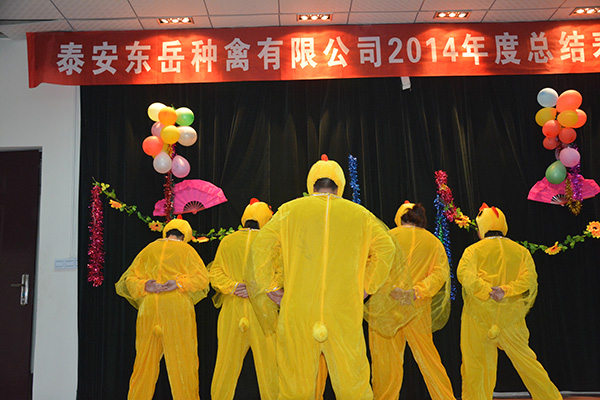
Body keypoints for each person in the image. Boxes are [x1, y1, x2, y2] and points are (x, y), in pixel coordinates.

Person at [246, 154, 396, 400]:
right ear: (340, 184)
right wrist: (366, 287)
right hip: (343, 309)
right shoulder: (360, 214)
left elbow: (261, 245)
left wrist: (270, 287)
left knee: (294, 384)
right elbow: (387, 248)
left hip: (298, 309)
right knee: (353, 383)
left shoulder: (290, 210)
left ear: (311, 183)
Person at [457, 203, 562, 400]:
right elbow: (529, 279)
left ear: (482, 226)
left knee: (475, 366)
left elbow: (465, 275)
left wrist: (487, 290)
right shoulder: (521, 251)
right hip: (511, 316)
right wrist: (506, 291)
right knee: (527, 362)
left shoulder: (473, 251)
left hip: (478, 316)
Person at [368, 201, 455, 400]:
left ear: (400, 217)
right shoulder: (433, 242)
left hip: (387, 307)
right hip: (418, 307)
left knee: (385, 364)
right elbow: (440, 274)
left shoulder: (387, 237)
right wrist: (416, 292)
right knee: (429, 359)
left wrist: (391, 289)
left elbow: (372, 268)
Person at [115, 218, 209, 400]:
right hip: (176, 308)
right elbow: (203, 279)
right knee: (183, 362)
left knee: (143, 364)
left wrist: (145, 285)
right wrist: (179, 283)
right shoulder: (187, 250)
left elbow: (129, 279)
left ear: (167, 231)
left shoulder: (149, 249)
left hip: (149, 308)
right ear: (185, 235)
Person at [209, 199, 278, 400]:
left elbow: (214, 272)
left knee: (225, 363)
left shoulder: (228, 241)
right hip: (263, 310)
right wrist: (259, 288)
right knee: (271, 364)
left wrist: (233, 286)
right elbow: (279, 274)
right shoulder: (270, 242)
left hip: (233, 308)